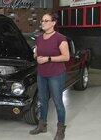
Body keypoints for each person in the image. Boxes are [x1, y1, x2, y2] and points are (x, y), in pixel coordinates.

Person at [29, 12, 70, 140]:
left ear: (53, 23)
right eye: (42, 20)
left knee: (58, 102)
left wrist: (48, 58)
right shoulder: (39, 38)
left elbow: (66, 57)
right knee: (42, 100)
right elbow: (36, 53)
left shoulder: (60, 38)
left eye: (46, 20)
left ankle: (60, 129)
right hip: (42, 74)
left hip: (56, 75)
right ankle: (42, 125)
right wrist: (36, 55)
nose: (43, 23)